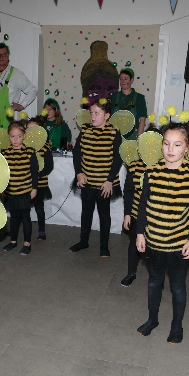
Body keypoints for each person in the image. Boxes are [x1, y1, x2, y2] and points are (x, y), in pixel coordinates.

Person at [135, 122, 189, 344]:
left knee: (177, 286)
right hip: (154, 240)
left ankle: (177, 325)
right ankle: (152, 319)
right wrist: (140, 233)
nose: (170, 149)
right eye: (166, 143)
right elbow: (143, 205)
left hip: (178, 243)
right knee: (154, 282)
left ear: (187, 147)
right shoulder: (151, 172)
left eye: (177, 144)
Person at [69, 98, 122, 257]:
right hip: (87, 181)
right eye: (91, 113)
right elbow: (77, 153)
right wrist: (79, 173)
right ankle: (83, 241)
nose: (92, 116)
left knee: (104, 214)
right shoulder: (85, 130)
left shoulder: (114, 132)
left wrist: (110, 180)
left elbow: (117, 159)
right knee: (86, 212)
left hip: (104, 184)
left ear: (107, 115)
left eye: (97, 113)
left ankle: (104, 246)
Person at [1, 121, 38, 255]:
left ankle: (27, 243)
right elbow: (2, 172)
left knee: (25, 218)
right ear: (8, 136)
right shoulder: (5, 152)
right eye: (12, 136)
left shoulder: (29, 152)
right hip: (11, 192)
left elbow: (34, 172)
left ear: (24, 136)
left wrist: (34, 188)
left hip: (25, 192)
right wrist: (2, 188)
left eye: (19, 136)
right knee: (14, 218)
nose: (15, 140)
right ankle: (13, 241)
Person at [120, 148, 147, 287]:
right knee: (133, 244)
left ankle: (157, 278)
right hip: (137, 213)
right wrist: (127, 214)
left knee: (156, 251)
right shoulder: (135, 164)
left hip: (157, 217)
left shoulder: (164, 165)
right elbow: (129, 191)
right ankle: (131, 273)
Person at [25, 117, 53, 241]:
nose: (31, 132)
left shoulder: (45, 147)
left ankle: (42, 231)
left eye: (34, 129)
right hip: (25, 184)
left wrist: (38, 175)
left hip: (40, 184)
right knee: (23, 209)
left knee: (39, 209)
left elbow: (49, 166)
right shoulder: (23, 146)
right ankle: (23, 230)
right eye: (28, 129)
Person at [111, 68, 147, 140]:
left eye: (126, 79)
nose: (122, 81)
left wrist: (138, 139)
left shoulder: (139, 98)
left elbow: (142, 120)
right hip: (115, 136)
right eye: (121, 79)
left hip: (132, 138)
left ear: (131, 80)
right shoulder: (114, 97)